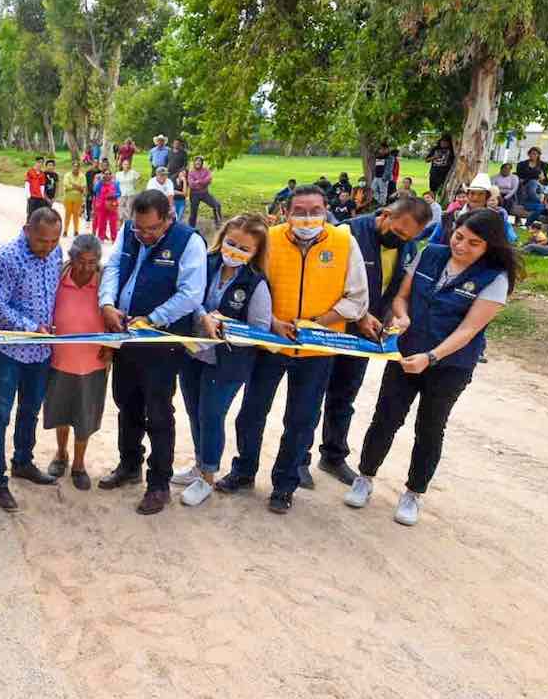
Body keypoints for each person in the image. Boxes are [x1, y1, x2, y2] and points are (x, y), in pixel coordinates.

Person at [345, 210, 522, 525]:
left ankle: (413, 493)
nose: (462, 246)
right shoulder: (430, 254)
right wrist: (401, 316)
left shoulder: (495, 278)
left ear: (489, 246)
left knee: (429, 428)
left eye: (473, 243)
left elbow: (469, 330)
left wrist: (432, 357)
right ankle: (365, 477)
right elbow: (402, 296)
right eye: (458, 237)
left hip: (449, 366)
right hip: (406, 354)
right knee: (385, 418)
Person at [218, 185, 369, 514]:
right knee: (251, 414)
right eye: (299, 211)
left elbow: (356, 297)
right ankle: (243, 471)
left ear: (326, 209)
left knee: (301, 420)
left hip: (318, 348)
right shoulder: (269, 240)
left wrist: (316, 322)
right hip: (271, 345)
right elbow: (248, 283)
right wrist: (272, 323)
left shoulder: (344, 242)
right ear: (286, 213)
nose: (307, 217)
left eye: (314, 210)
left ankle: (284, 486)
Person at [97, 190, 207, 514]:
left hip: (162, 341)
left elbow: (190, 294)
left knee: (158, 412)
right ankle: (129, 464)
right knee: (125, 402)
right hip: (126, 335)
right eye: (139, 229)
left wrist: (153, 319)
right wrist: (107, 304)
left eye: (152, 230)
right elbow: (114, 267)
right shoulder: (128, 233)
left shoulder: (190, 242)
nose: (144, 236)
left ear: (169, 218)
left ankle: (158, 484)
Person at [312, 196, 432, 485]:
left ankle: (333, 455)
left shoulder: (406, 247)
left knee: (344, 396)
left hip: (365, 337)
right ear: (386, 215)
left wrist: (391, 316)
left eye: (410, 237)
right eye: (401, 232)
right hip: (331, 329)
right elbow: (325, 284)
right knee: (311, 394)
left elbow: (394, 290)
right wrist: (359, 315)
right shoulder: (345, 234)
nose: (403, 240)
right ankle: (297, 459)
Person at [172, 214, 271, 507]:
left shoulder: (256, 283)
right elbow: (189, 295)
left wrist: (228, 323)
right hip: (193, 353)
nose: (234, 252)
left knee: (212, 415)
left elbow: (261, 330)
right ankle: (200, 464)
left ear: (255, 253)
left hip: (228, 363)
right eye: (231, 243)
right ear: (222, 237)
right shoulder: (207, 262)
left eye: (244, 249)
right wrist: (202, 313)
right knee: (193, 410)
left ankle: (208, 477)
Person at [0, 207, 64, 511]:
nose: (48, 248)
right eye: (42, 241)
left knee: (30, 410)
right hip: (9, 351)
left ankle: (23, 461)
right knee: (0, 414)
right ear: (27, 230)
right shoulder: (7, 257)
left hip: (41, 352)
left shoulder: (55, 254)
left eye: (54, 241)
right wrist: (32, 328)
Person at [43, 234, 108, 491]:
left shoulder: (104, 282)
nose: (85, 268)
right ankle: (61, 454)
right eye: (81, 261)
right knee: (60, 411)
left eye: (91, 263)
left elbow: (117, 320)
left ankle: (79, 464)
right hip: (60, 358)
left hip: (93, 362)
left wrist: (110, 349)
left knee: (85, 416)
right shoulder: (59, 276)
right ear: (71, 259)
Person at [429, 173, 492, 244]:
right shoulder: (448, 217)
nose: (475, 198)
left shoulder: (495, 220)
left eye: (480, 194)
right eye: (472, 193)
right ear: (467, 195)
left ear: (487, 197)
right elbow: (433, 241)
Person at [187, 156, 222, 229]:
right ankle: (191, 227)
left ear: (202, 163)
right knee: (193, 212)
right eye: (196, 161)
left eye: (199, 161)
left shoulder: (206, 170)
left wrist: (198, 181)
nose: (198, 162)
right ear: (194, 163)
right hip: (194, 194)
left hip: (205, 193)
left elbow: (209, 179)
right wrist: (203, 182)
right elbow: (191, 184)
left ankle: (218, 222)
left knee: (217, 205)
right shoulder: (191, 172)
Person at [92, 168, 120, 242]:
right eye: (106, 174)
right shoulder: (100, 183)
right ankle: (101, 237)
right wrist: (100, 181)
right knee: (101, 221)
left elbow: (119, 193)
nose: (107, 175)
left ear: (111, 175)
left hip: (112, 204)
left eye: (109, 174)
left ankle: (114, 238)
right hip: (102, 204)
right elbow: (95, 190)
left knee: (113, 222)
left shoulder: (115, 183)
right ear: (103, 175)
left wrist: (113, 195)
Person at [62, 160, 87, 237]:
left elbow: (83, 188)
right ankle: (65, 231)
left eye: (77, 166)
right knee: (67, 214)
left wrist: (73, 185)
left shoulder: (82, 176)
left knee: (76, 215)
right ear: (72, 167)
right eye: (74, 166)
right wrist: (77, 187)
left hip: (78, 199)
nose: (75, 168)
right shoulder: (67, 175)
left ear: (79, 168)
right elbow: (66, 186)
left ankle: (76, 231)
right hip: (68, 198)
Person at [84, 159, 101, 224]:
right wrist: (87, 191)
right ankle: (88, 216)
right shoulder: (88, 172)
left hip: (98, 191)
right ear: (92, 164)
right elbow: (86, 182)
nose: (96, 164)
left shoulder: (100, 172)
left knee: (97, 205)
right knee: (89, 203)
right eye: (94, 163)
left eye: (97, 163)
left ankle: (97, 216)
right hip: (90, 190)